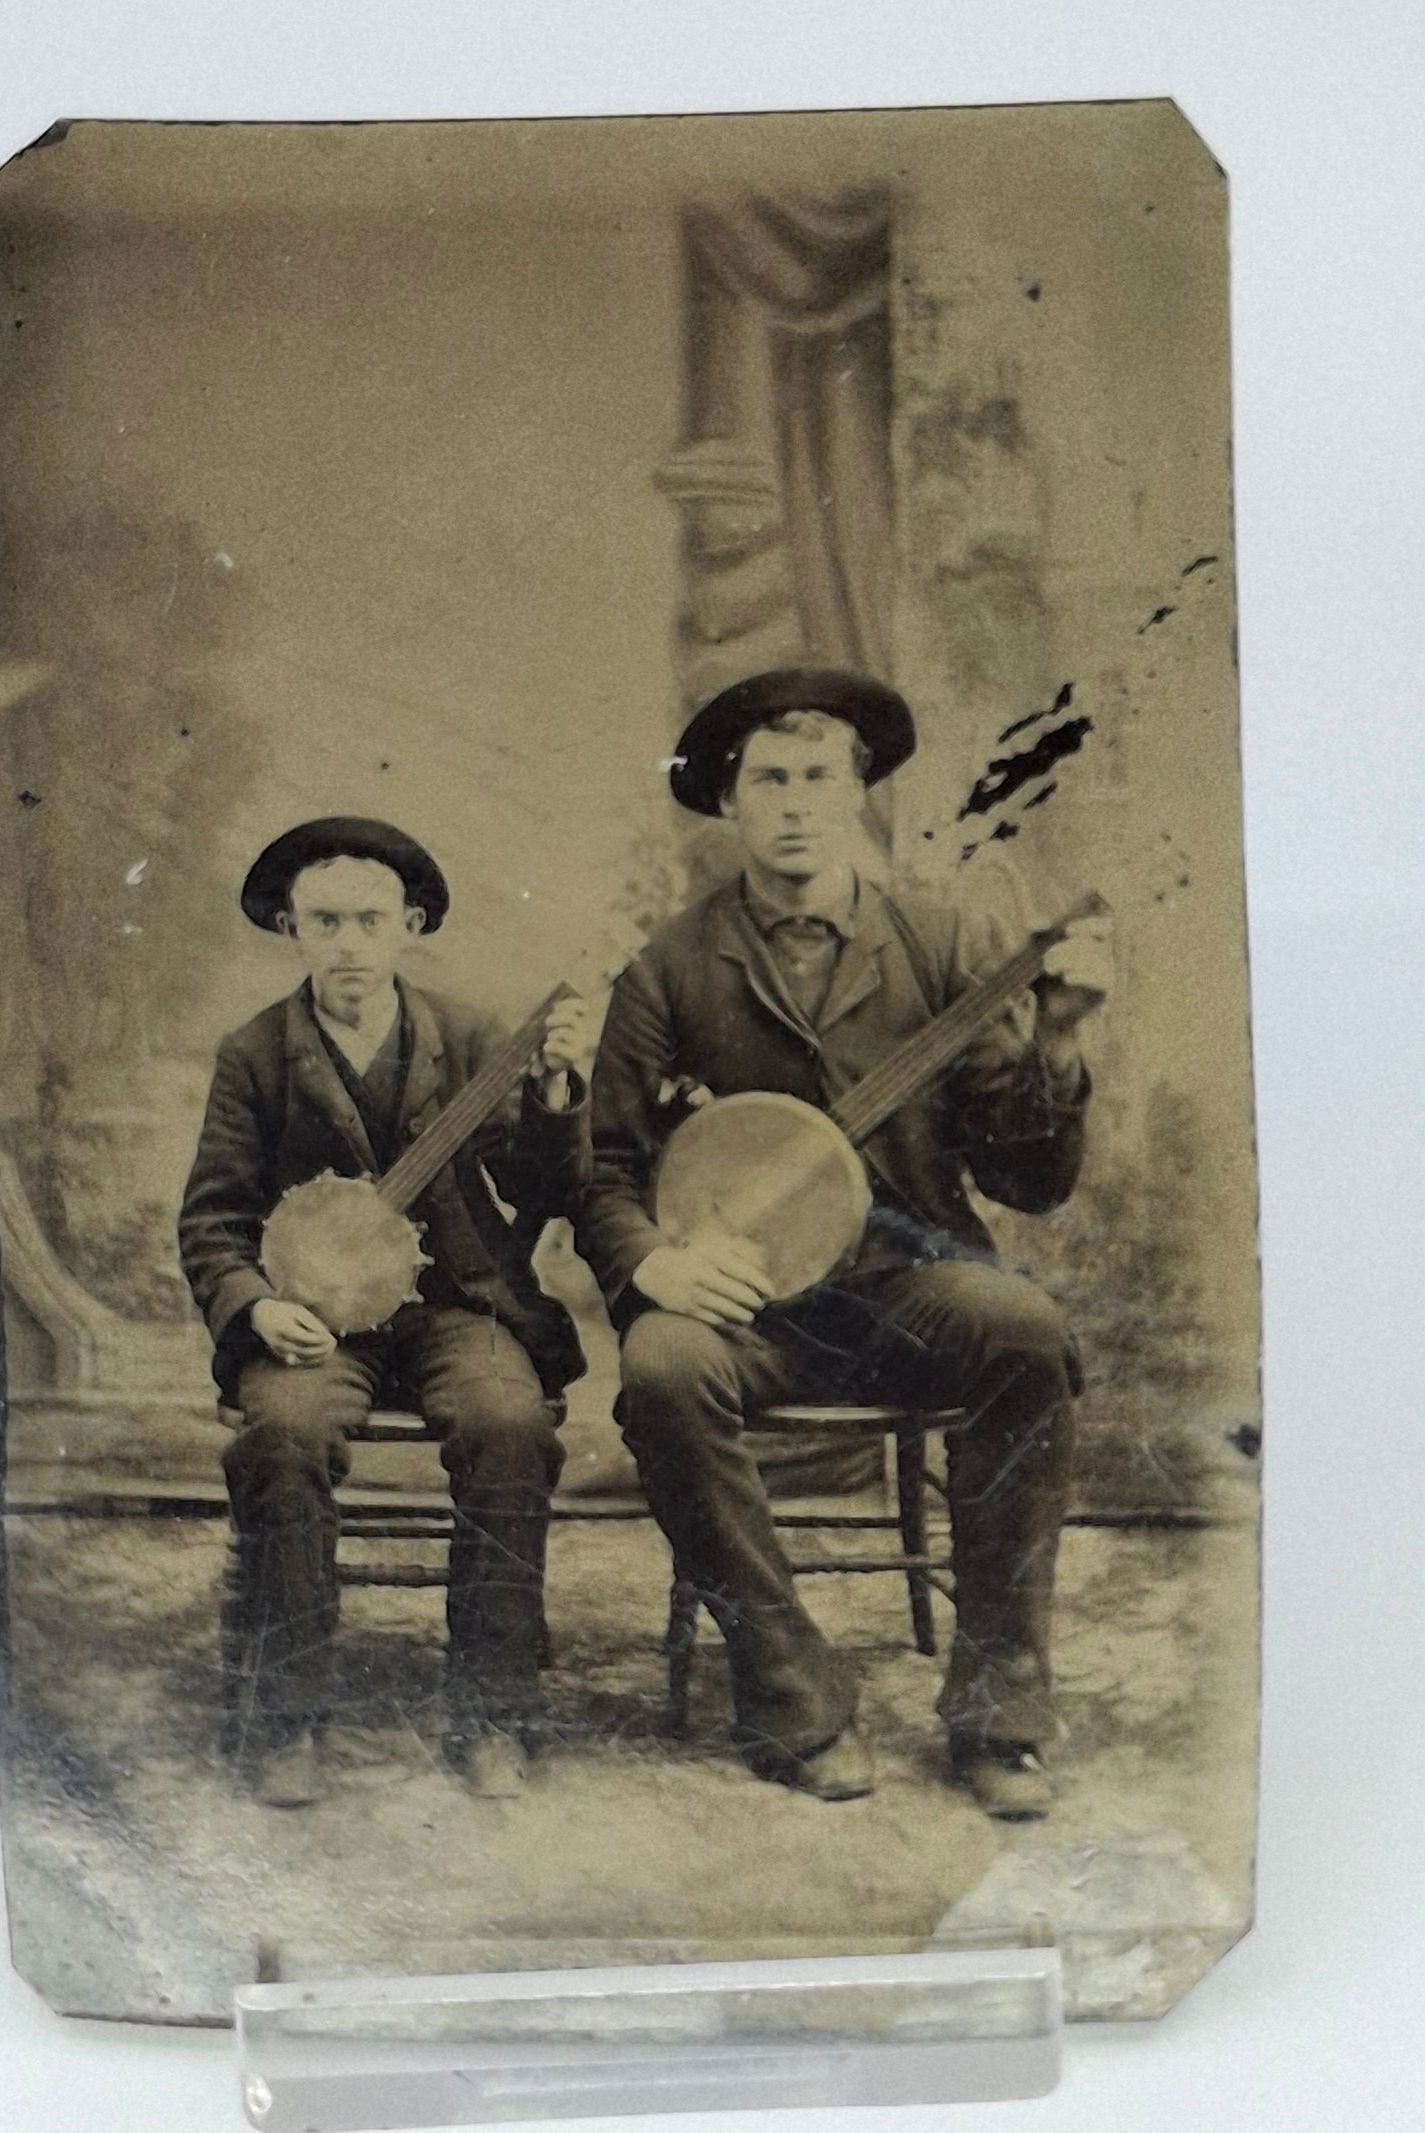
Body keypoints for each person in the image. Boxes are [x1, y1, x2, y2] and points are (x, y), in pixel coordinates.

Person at [575, 669, 1112, 1816]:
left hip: (907, 1289)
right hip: (748, 1310)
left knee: (1023, 1329)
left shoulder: (939, 940)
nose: (795, 803)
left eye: (819, 777)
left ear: (858, 792)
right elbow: (604, 1166)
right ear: (729, 801)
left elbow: (1026, 1180)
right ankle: (794, 1700)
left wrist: (1056, 1049)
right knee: (661, 1366)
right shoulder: (669, 966)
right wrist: (659, 1264)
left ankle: (998, 1717)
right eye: (769, 779)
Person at [178, 817, 591, 1806]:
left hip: (458, 1306)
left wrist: (556, 1096)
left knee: (509, 1425)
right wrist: (255, 1308)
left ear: (410, 925)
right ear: (291, 928)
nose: (350, 944)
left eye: (370, 920)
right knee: (282, 1432)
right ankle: (289, 1715)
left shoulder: (471, 1038)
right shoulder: (256, 1054)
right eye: (326, 922)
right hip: (316, 1324)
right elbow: (212, 1218)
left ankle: (492, 1713)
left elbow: (543, 1189)